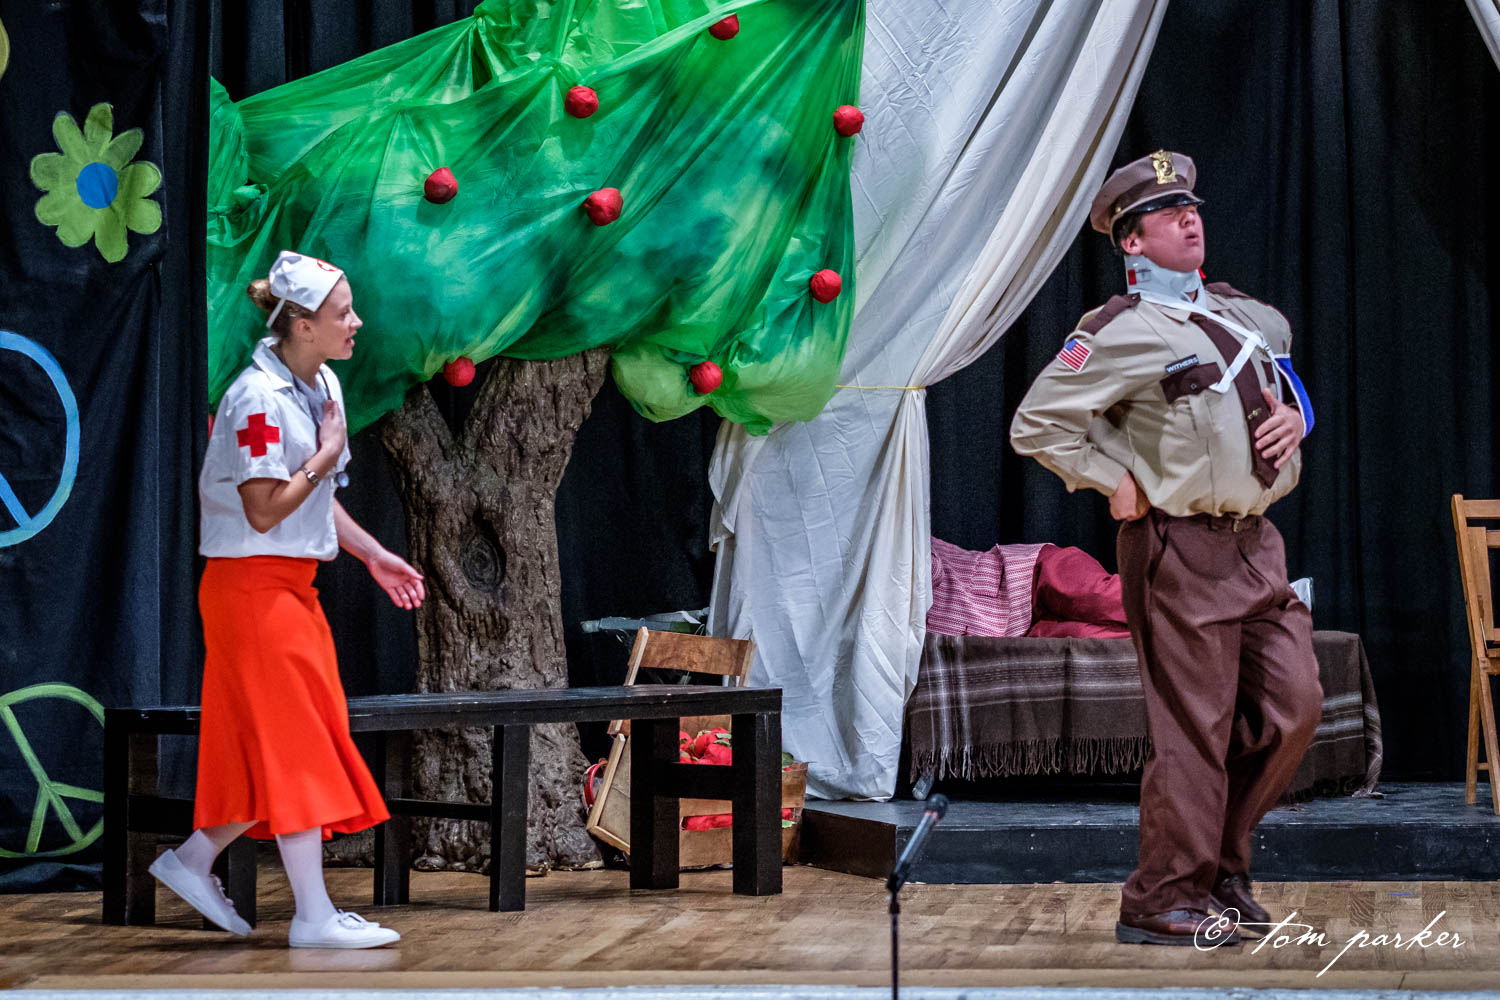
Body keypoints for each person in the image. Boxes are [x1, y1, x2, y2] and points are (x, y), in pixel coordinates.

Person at [1009, 150, 1323, 947]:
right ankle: (1161, 897)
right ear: (1132, 242)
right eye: (1166, 214)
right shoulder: (1117, 332)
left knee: (1294, 708)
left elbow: (1285, 397)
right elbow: (1036, 424)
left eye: (1192, 208)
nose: (1189, 219)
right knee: (1194, 731)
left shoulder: (1251, 318)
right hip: (1178, 546)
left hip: (1257, 544)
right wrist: (1110, 478)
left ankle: (1219, 869)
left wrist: (1297, 425)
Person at [149, 251, 426, 949]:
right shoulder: (255, 399)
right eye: (343, 313)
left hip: (290, 589)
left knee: (280, 741)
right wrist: (324, 455)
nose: (356, 322)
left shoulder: (321, 381)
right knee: (296, 741)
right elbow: (267, 508)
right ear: (302, 325)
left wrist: (372, 553)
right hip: (250, 591)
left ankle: (193, 860)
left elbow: (316, 500)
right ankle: (312, 915)